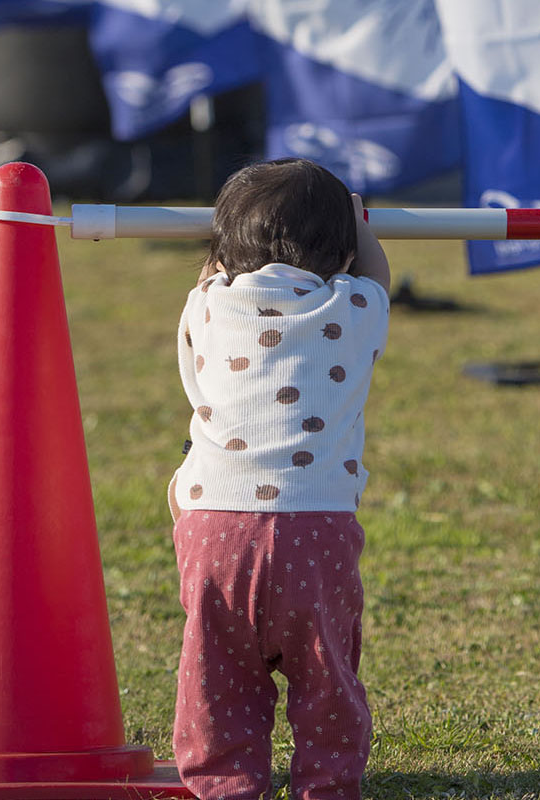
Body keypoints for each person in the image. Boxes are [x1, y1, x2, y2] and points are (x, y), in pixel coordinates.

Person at [167, 157, 390, 800]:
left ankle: (223, 783)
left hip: (214, 533)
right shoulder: (350, 309)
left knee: (217, 671)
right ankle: (327, 782)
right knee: (326, 673)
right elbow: (377, 278)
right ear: (341, 249)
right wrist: (360, 224)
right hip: (316, 530)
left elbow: (210, 276)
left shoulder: (206, 308)